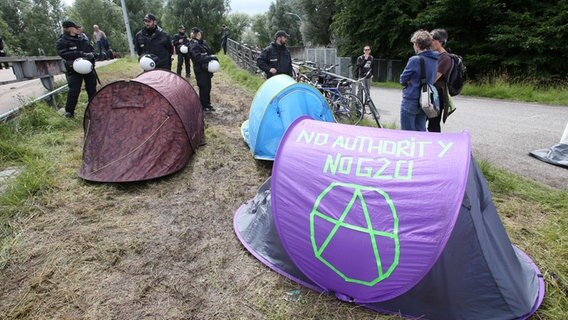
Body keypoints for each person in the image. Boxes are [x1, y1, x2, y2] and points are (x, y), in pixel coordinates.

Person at [56, 20, 97, 118]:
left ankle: (94, 109)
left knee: (92, 88)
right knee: (74, 90)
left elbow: (90, 50)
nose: (78, 29)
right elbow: (64, 54)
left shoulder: (83, 39)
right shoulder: (62, 41)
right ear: (69, 28)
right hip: (74, 69)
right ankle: (69, 112)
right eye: (75, 27)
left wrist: (93, 56)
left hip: (88, 68)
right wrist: (81, 54)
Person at [399, 30, 439, 131]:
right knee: (421, 132)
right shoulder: (435, 59)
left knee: (407, 134)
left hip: (411, 99)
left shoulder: (415, 60)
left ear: (417, 44)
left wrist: (410, 81)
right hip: (425, 101)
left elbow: (402, 80)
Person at [428, 29, 452, 133]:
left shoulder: (445, 58)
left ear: (441, 41)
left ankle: (435, 147)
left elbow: (434, 78)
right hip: (430, 93)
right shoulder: (434, 55)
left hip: (437, 96)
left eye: (433, 40)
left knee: (433, 125)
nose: (430, 42)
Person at [189, 27, 217, 112]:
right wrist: (210, 58)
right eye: (195, 33)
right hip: (200, 70)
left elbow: (209, 52)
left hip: (207, 69)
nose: (198, 34)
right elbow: (198, 58)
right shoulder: (193, 44)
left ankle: (208, 104)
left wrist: (210, 57)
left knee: (208, 86)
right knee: (203, 87)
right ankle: (203, 106)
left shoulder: (203, 43)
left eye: (198, 32)